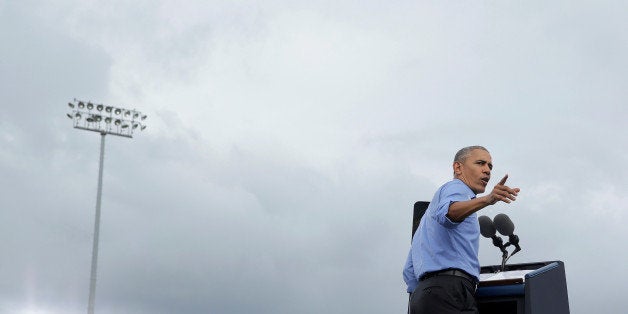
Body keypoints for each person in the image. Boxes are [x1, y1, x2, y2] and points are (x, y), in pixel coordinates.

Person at [403, 146, 520, 314]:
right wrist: (488, 199)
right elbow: (449, 214)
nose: (487, 170)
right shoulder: (456, 188)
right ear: (458, 167)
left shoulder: (426, 219)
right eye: (480, 163)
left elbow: (409, 270)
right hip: (449, 291)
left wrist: (423, 297)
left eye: (490, 166)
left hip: (427, 295)